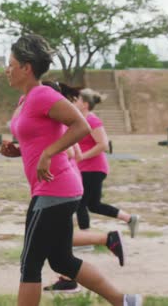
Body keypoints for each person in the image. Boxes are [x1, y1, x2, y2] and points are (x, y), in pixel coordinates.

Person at [0, 34, 141, 306]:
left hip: (56, 189)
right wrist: (18, 150)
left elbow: (81, 126)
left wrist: (48, 153)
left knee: (30, 263)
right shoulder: (26, 100)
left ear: (26, 68)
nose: (7, 69)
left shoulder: (43, 95)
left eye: (11, 64)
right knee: (61, 259)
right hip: (52, 189)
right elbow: (39, 137)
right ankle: (125, 301)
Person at [39, 82, 125, 294]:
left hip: (64, 183)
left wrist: (49, 154)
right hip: (66, 181)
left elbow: (75, 152)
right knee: (58, 236)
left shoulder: (69, 121)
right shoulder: (65, 121)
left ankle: (107, 239)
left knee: (52, 236)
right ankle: (69, 278)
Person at [72, 88, 140, 239]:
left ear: (84, 104)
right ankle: (130, 219)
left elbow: (103, 145)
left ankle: (86, 240)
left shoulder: (92, 120)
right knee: (94, 205)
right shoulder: (79, 120)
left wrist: (82, 156)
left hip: (93, 168)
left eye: (76, 100)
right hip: (85, 168)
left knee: (80, 203)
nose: (73, 102)